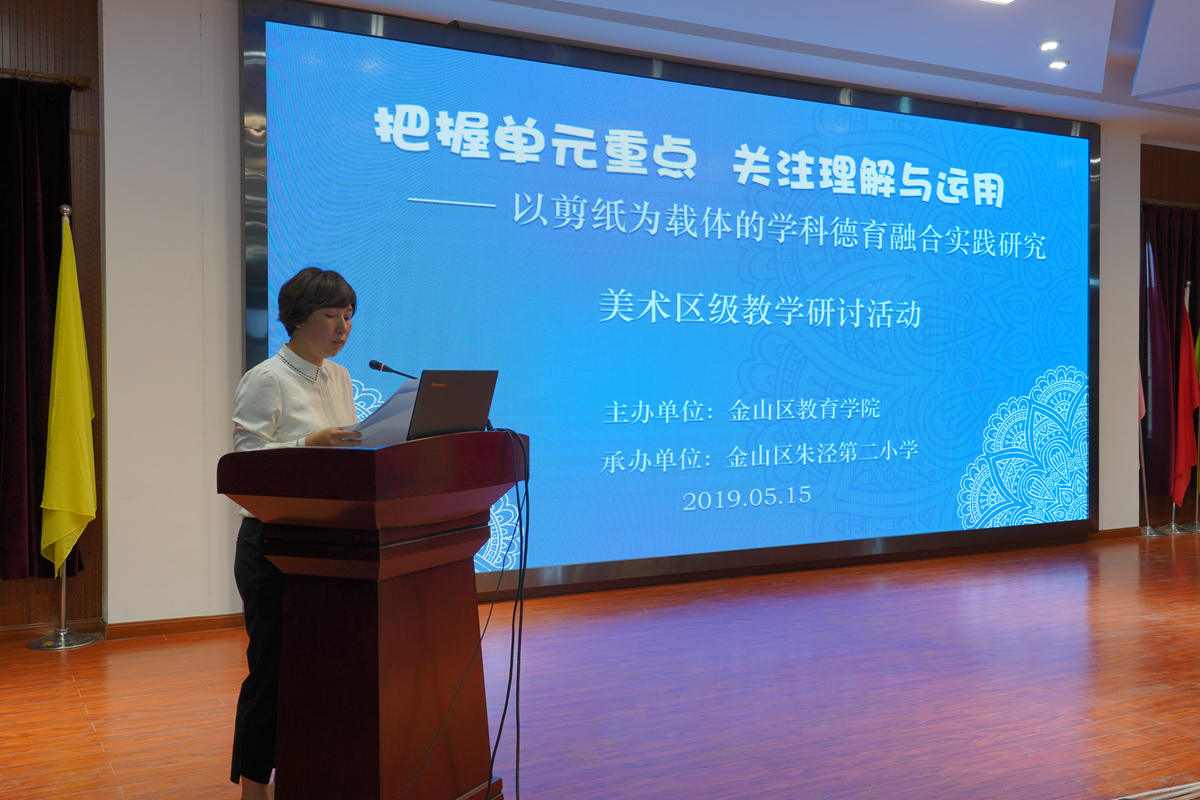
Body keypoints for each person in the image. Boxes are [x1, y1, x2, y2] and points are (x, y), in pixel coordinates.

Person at [228, 267, 362, 799]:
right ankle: (253, 789)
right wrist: (310, 444)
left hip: (329, 545)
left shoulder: (340, 376)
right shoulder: (267, 378)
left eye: (348, 315)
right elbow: (244, 466)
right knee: (272, 673)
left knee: (322, 671)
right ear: (297, 318)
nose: (342, 327)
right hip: (273, 545)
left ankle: (306, 775)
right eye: (331, 315)